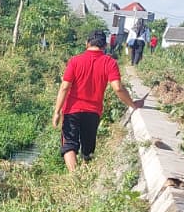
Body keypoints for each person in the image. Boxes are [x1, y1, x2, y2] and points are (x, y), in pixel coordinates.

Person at [52, 29, 145, 172]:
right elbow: (118, 88)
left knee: (69, 144)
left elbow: (64, 87)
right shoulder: (109, 62)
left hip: (72, 110)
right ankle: (84, 173)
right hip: (93, 113)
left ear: (87, 43)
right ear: (105, 46)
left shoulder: (75, 61)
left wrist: (57, 112)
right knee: (88, 149)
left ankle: (75, 176)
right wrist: (133, 104)